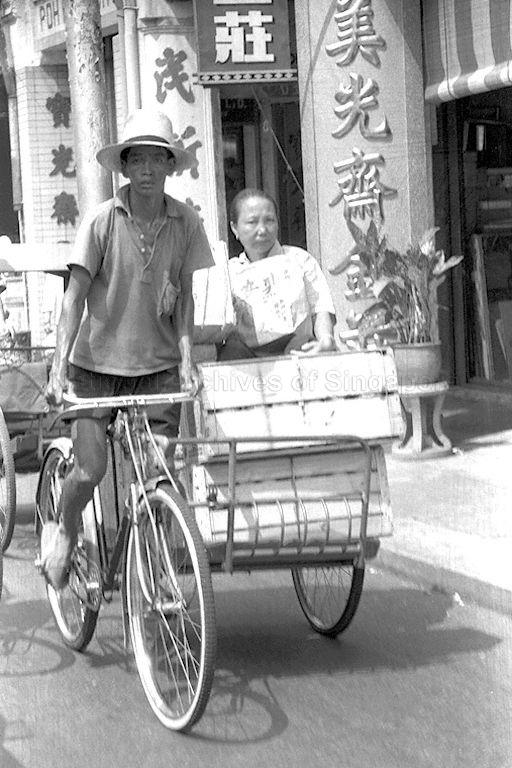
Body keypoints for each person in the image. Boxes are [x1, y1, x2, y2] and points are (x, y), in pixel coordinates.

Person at [40, 108, 213, 590]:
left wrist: (186, 361)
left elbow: (186, 297)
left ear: (168, 166)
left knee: (159, 470)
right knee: (92, 468)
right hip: (94, 367)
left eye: (156, 160)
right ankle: (64, 528)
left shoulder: (186, 223)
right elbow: (73, 299)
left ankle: (155, 569)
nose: (146, 171)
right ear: (124, 167)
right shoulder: (101, 221)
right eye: (136, 160)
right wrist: (58, 370)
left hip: (156, 367)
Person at [217, 188, 336, 361]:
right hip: (245, 354)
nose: (262, 229)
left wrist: (326, 340)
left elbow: (320, 307)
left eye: (269, 220)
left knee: (304, 347)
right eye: (252, 222)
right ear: (234, 228)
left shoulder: (299, 260)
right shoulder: (228, 272)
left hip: (294, 346)